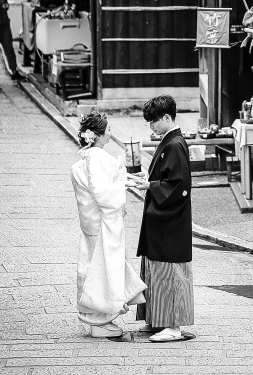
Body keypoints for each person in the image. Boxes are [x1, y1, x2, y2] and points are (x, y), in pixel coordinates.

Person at [70, 111, 146, 338]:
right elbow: (103, 193)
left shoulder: (86, 157)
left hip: (91, 223)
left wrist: (124, 179)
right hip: (101, 223)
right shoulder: (97, 157)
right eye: (109, 129)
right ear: (98, 135)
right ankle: (98, 320)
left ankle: (99, 318)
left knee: (95, 268)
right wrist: (122, 185)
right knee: (101, 270)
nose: (111, 133)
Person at [132, 95, 195, 342]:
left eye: (154, 122)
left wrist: (150, 185)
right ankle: (158, 320)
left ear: (167, 118)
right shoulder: (170, 141)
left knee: (169, 271)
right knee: (156, 268)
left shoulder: (174, 144)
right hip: (163, 218)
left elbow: (178, 185)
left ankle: (173, 326)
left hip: (171, 220)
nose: (151, 127)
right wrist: (148, 182)